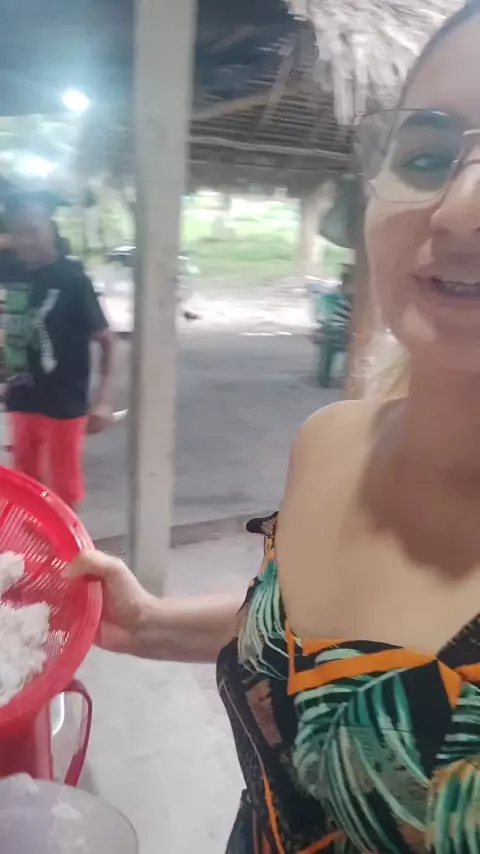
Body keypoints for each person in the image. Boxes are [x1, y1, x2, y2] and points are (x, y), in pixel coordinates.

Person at [68, 3, 480, 851]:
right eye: (428, 156)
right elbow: (315, 648)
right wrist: (148, 624)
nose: (457, 211)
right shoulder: (329, 442)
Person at [3, 193, 115, 509]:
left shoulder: (72, 279)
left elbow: (107, 340)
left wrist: (103, 401)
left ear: (51, 229)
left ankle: (69, 541)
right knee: (25, 487)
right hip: (21, 397)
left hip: (64, 402)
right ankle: (29, 539)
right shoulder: (11, 270)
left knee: (63, 491)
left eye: (33, 231)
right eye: (18, 232)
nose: (26, 241)